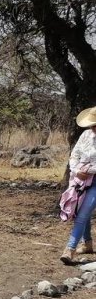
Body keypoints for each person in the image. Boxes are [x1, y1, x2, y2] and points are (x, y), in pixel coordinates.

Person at [60, 106, 96, 265]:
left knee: (82, 214)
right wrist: (76, 170)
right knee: (81, 210)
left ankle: (70, 249)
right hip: (79, 180)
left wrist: (89, 170)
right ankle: (87, 243)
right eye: (92, 124)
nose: (93, 127)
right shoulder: (86, 135)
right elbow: (74, 155)